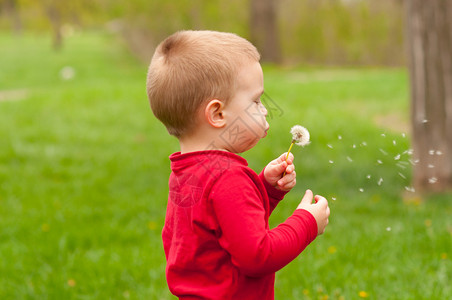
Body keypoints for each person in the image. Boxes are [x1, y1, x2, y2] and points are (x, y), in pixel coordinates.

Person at [146, 30, 330, 300]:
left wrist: (265, 189)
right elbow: (257, 256)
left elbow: (225, 228)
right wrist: (306, 223)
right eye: (256, 101)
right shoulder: (228, 178)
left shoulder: (186, 172)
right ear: (217, 114)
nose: (265, 109)